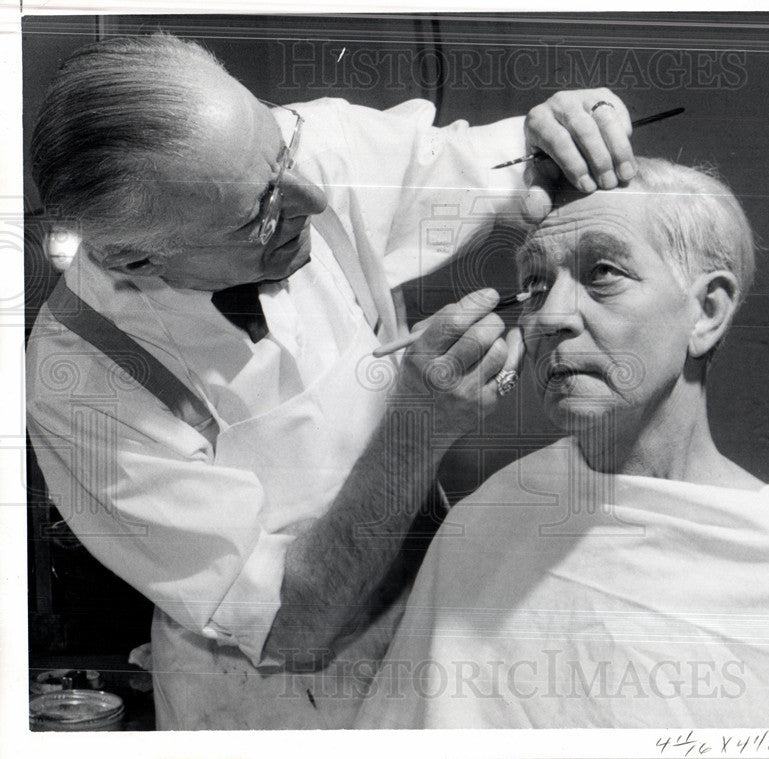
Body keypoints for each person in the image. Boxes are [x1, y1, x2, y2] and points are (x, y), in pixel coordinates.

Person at [25, 33, 638, 729]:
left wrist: (571, 124)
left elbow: (504, 159)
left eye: (282, 150)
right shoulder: (79, 380)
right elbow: (290, 623)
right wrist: (418, 423)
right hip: (273, 702)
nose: (311, 195)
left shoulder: (285, 152)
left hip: (430, 624)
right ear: (135, 260)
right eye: (259, 211)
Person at [354, 158, 769, 729]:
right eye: (536, 284)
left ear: (706, 312)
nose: (551, 316)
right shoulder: (480, 534)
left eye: (603, 272)